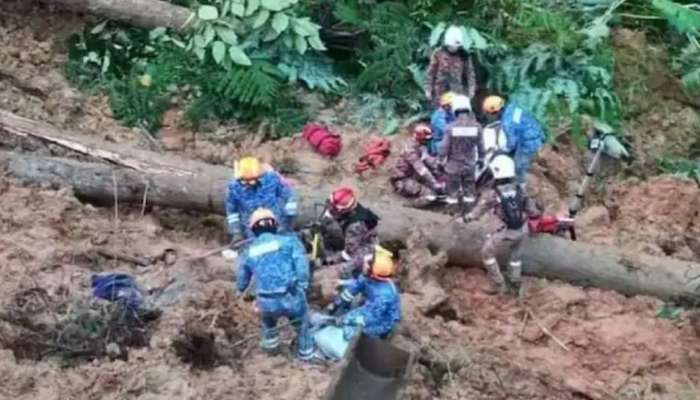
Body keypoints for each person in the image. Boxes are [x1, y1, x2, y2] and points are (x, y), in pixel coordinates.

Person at [236, 208, 314, 361]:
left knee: (268, 324)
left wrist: (240, 289)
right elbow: (302, 265)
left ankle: (272, 355)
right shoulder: (290, 242)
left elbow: (241, 281)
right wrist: (303, 285)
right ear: (275, 225)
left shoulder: (248, 251)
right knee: (302, 323)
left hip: (266, 301)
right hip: (290, 296)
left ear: (253, 229)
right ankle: (306, 355)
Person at [464, 155, 540, 296]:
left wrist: (469, 217)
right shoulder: (520, 189)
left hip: (505, 232)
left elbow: (479, 210)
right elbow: (533, 211)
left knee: (487, 253)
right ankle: (515, 283)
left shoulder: (493, 194)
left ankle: (499, 285)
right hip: (522, 230)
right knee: (515, 258)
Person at [328, 246, 401, 340]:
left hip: (382, 321)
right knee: (347, 318)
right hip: (372, 308)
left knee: (348, 334)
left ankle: (379, 337)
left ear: (373, 271)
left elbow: (370, 317)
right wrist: (336, 304)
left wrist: (347, 319)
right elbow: (353, 289)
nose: (364, 264)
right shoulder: (368, 277)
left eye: (367, 264)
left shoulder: (384, 295)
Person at [481, 95, 545, 190]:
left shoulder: (507, 122)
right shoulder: (514, 107)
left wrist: (501, 151)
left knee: (518, 166)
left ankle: (522, 188)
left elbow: (512, 142)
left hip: (528, 143)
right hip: (538, 134)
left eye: (490, 114)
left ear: (495, 112)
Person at [225, 156, 298, 239]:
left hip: (278, 226)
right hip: (252, 231)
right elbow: (232, 212)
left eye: (253, 180)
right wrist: (237, 232)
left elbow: (289, 196)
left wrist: (290, 219)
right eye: (245, 181)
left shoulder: (272, 178)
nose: (249, 183)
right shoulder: (234, 187)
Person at [321, 186, 380, 278]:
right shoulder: (343, 205)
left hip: (365, 247)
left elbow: (349, 252)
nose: (331, 210)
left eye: (334, 210)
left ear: (344, 210)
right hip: (353, 237)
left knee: (339, 270)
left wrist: (330, 260)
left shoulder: (355, 226)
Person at [439, 94, 482, 204]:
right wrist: (481, 159)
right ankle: (467, 212)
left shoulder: (450, 127)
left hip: (453, 165)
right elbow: (481, 147)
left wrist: (440, 160)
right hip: (470, 164)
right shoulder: (477, 127)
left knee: (452, 192)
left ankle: (450, 212)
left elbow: (444, 147)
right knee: (469, 191)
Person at [425, 26, 478, 107]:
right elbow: (431, 72)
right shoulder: (438, 53)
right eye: (451, 46)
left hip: (457, 91)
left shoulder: (464, 55)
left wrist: (471, 90)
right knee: (440, 113)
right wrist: (428, 89)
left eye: (456, 46)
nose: (454, 48)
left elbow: (470, 73)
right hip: (439, 91)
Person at [391, 123, 446, 198]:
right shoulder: (410, 149)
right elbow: (421, 169)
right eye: (426, 139)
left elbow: (429, 160)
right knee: (430, 195)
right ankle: (409, 205)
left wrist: (442, 170)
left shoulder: (421, 146)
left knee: (440, 177)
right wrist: (435, 183)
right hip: (403, 179)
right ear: (419, 137)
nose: (428, 141)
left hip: (415, 175)